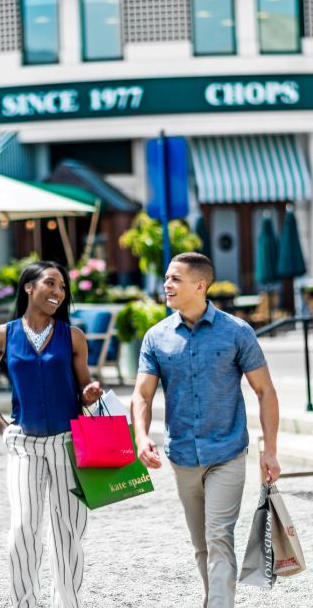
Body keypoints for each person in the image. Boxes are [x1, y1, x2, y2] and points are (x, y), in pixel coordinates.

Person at [131, 252, 281, 608]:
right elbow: (142, 394)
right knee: (201, 543)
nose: (166, 285)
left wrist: (270, 450)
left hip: (226, 452)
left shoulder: (236, 331)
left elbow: (265, 390)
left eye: (175, 279)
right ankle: (213, 597)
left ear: (200, 285)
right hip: (182, 455)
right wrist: (141, 437)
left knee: (218, 538)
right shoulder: (156, 337)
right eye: (167, 278)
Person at [0, 260, 102, 608]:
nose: (58, 292)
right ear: (29, 287)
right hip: (24, 447)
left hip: (69, 444)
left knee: (69, 533)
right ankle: (25, 603)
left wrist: (89, 393)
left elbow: (83, 385)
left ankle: (68, 603)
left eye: (63, 287)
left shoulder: (73, 337)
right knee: (22, 530)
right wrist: (3, 426)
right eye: (51, 284)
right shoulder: (3, 334)